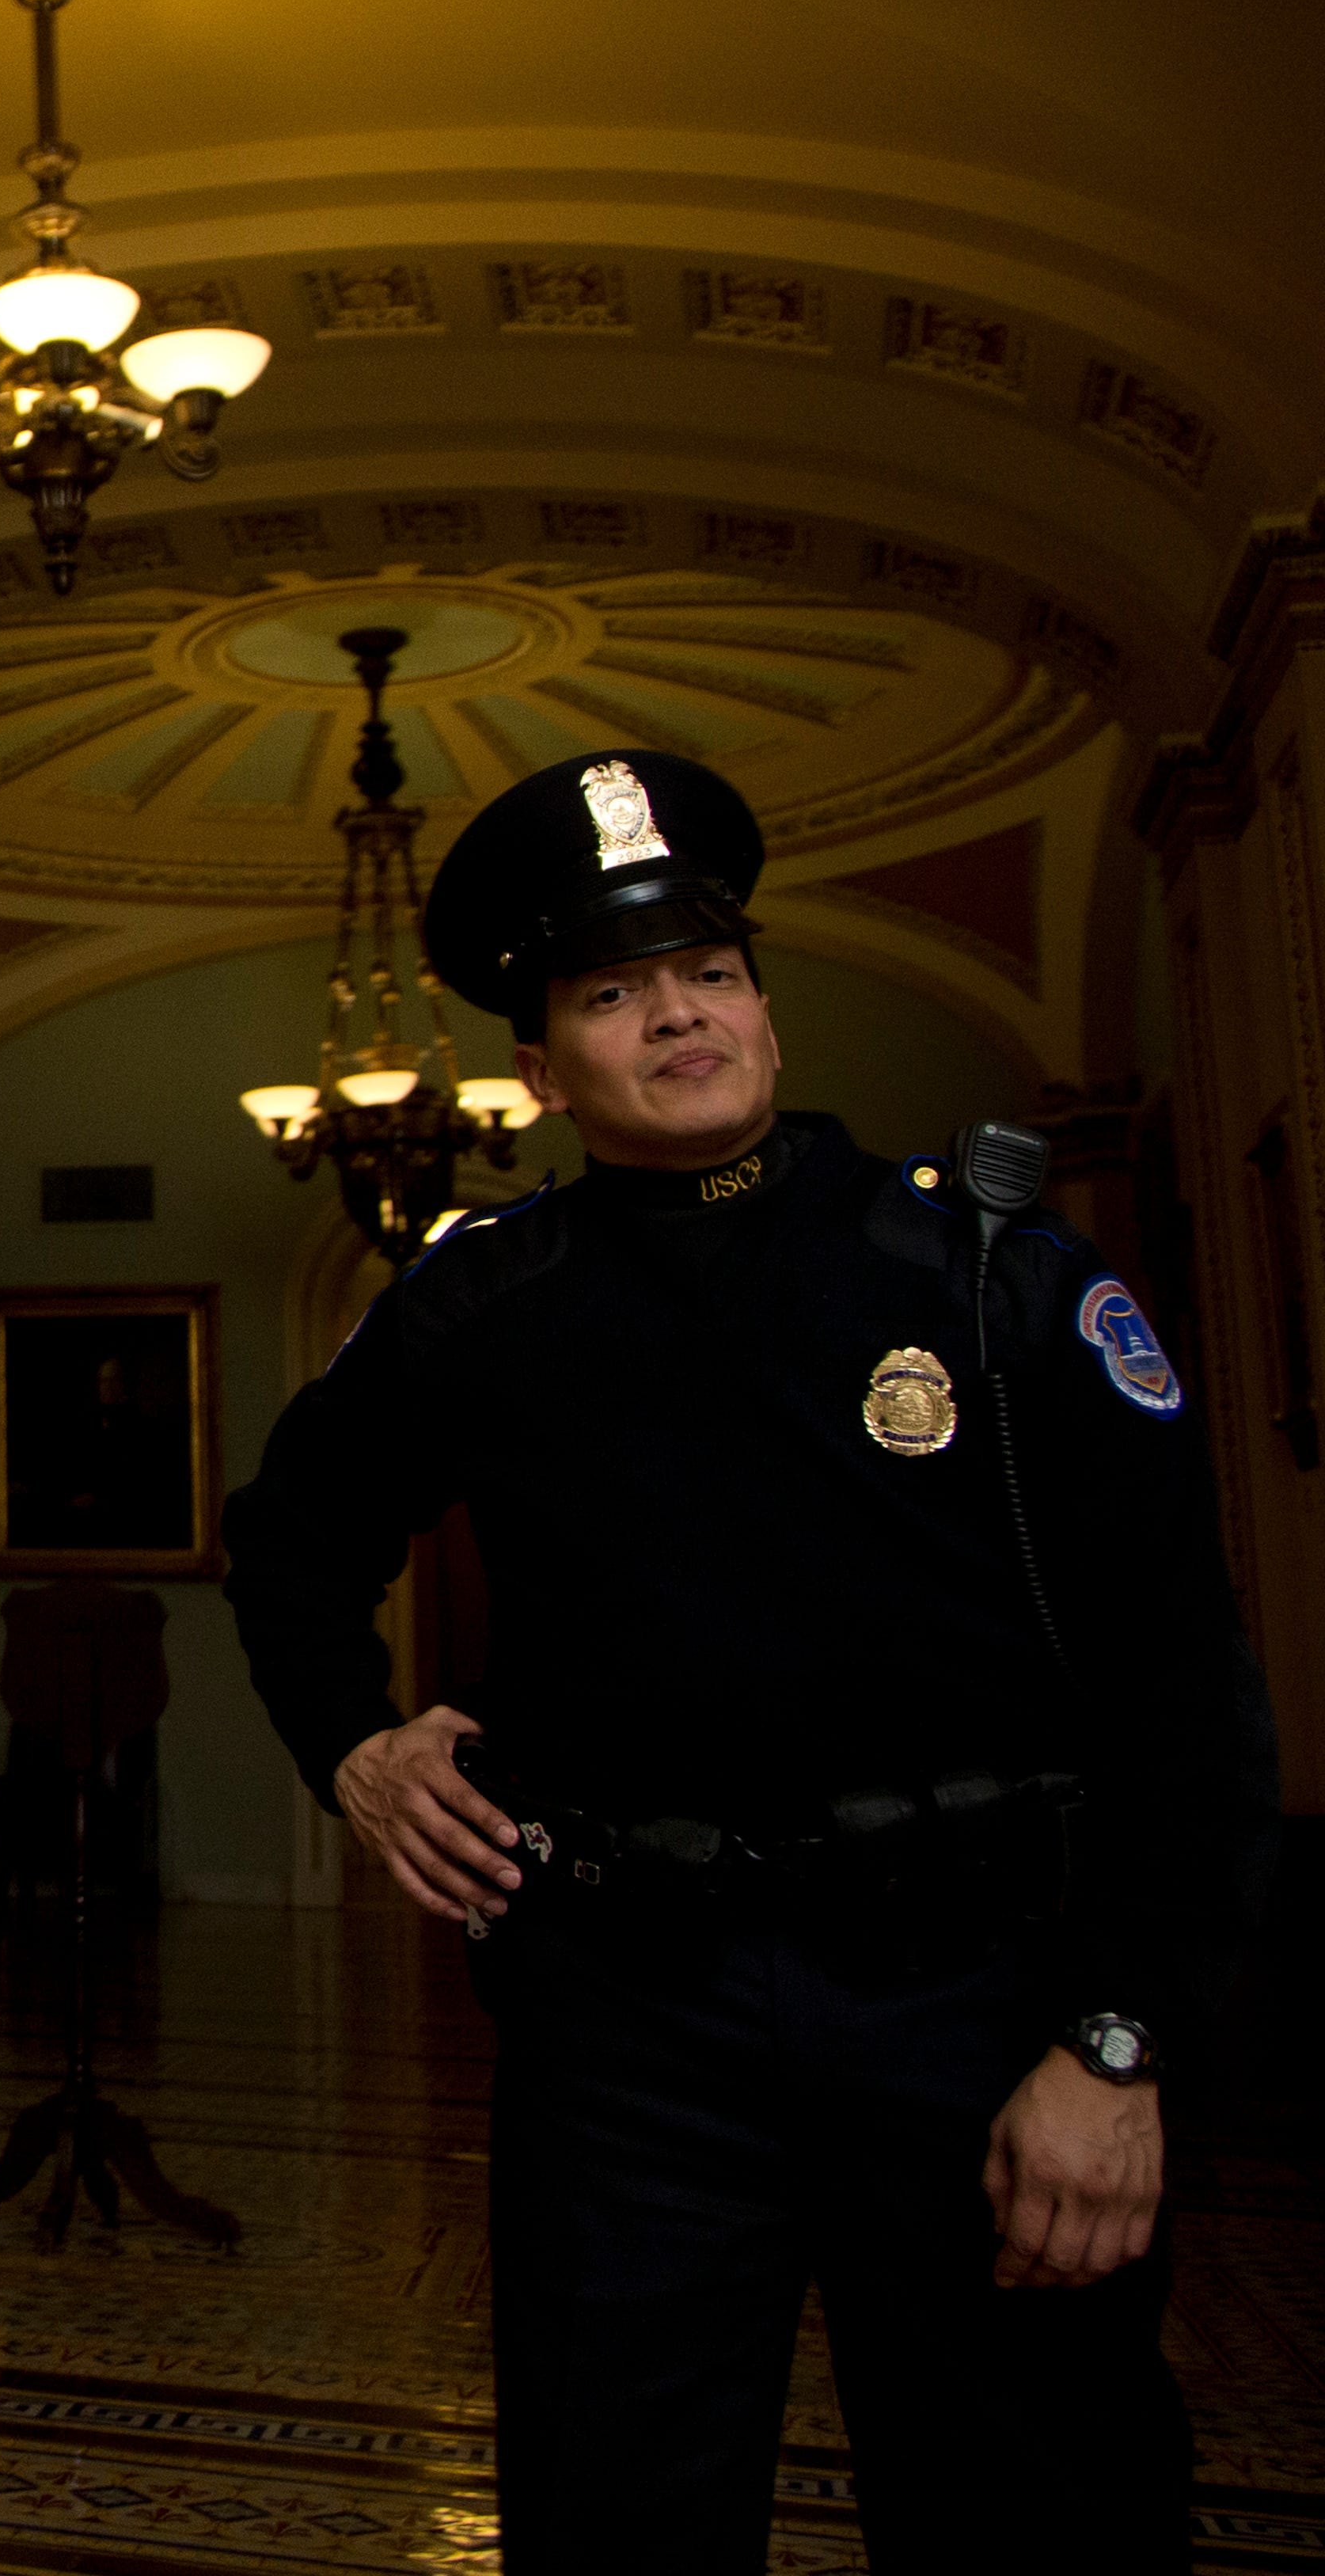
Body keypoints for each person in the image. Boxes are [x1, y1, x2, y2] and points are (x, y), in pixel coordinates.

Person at [222, 748, 1280, 2574]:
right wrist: (355, 1744)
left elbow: (1184, 1682)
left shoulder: (986, 1276)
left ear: (766, 1009)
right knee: (612, 2519)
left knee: (1038, 2514)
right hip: (625, 2013)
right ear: (543, 1072)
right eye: (613, 989)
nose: (677, 1013)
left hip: (979, 1995)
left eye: (707, 970)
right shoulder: (484, 1302)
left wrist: (1116, 2041)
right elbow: (289, 1540)